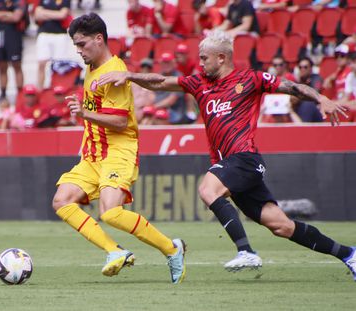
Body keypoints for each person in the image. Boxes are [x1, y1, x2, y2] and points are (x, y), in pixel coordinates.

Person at [98, 30, 356, 281]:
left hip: (245, 158)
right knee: (282, 227)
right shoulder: (199, 83)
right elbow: (160, 81)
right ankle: (349, 254)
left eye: (204, 58)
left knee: (208, 190)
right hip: (230, 165)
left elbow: (293, 87)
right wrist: (129, 75)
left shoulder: (251, 79)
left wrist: (321, 97)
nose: (200, 63)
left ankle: (246, 251)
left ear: (221, 57)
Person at [53, 13, 186, 284]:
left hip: (118, 149)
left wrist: (84, 116)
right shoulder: (91, 66)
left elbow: (119, 121)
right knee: (62, 200)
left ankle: (172, 250)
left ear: (99, 39)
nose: (78, 50)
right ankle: (115, 252)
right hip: (93, 153)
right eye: (76, 45)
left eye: (82, 44)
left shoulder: (114, 73)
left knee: (110, 212)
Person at [0, 0, 25, 106]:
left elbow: (16, 17)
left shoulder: (18, 2)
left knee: (16, 65)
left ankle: (20, 94)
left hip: (13, 36)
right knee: (1, 66)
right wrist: (8, 14)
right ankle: (3, 94)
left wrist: (0, 15)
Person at [34, 0, 72, 90]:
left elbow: (62, 15)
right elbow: (37, 15)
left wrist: (44, 13)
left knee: (59, 65)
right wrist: (56, 14)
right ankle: (40, 91)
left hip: (60, 34)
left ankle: (58, 90)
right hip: (44, 33)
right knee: (41, 63)